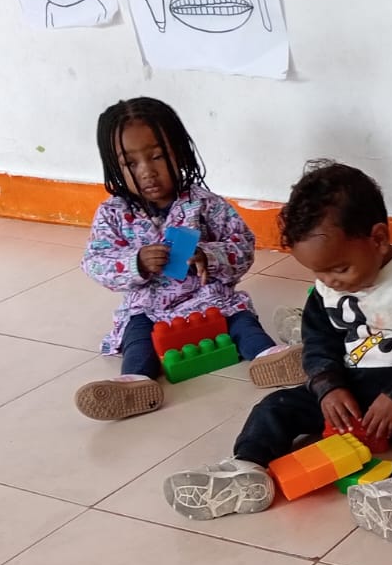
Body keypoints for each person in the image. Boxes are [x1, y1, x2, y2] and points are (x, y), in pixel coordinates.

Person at [164, 162, 392, 543]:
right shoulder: (327, 287)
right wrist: (327, 386)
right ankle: (246, 467)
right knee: (275, 406)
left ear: (377, 239)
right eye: (319, 274)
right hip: (352, 385)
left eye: (339, 269)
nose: (329, 282)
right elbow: (319, 341)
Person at [76, 97, 301, 422]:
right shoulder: (113, 214)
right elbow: (95, 261)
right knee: (137, 335)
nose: (147, 172)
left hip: (209, 297)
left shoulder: (205, 203)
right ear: (115, 167)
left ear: (179, 153)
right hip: (149, 307)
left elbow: (243, 245)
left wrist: (209, 255)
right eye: (130, 164)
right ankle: (134, 382)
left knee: (241, 320)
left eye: (157, 156)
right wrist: (136, 262)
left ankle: (270, 357)